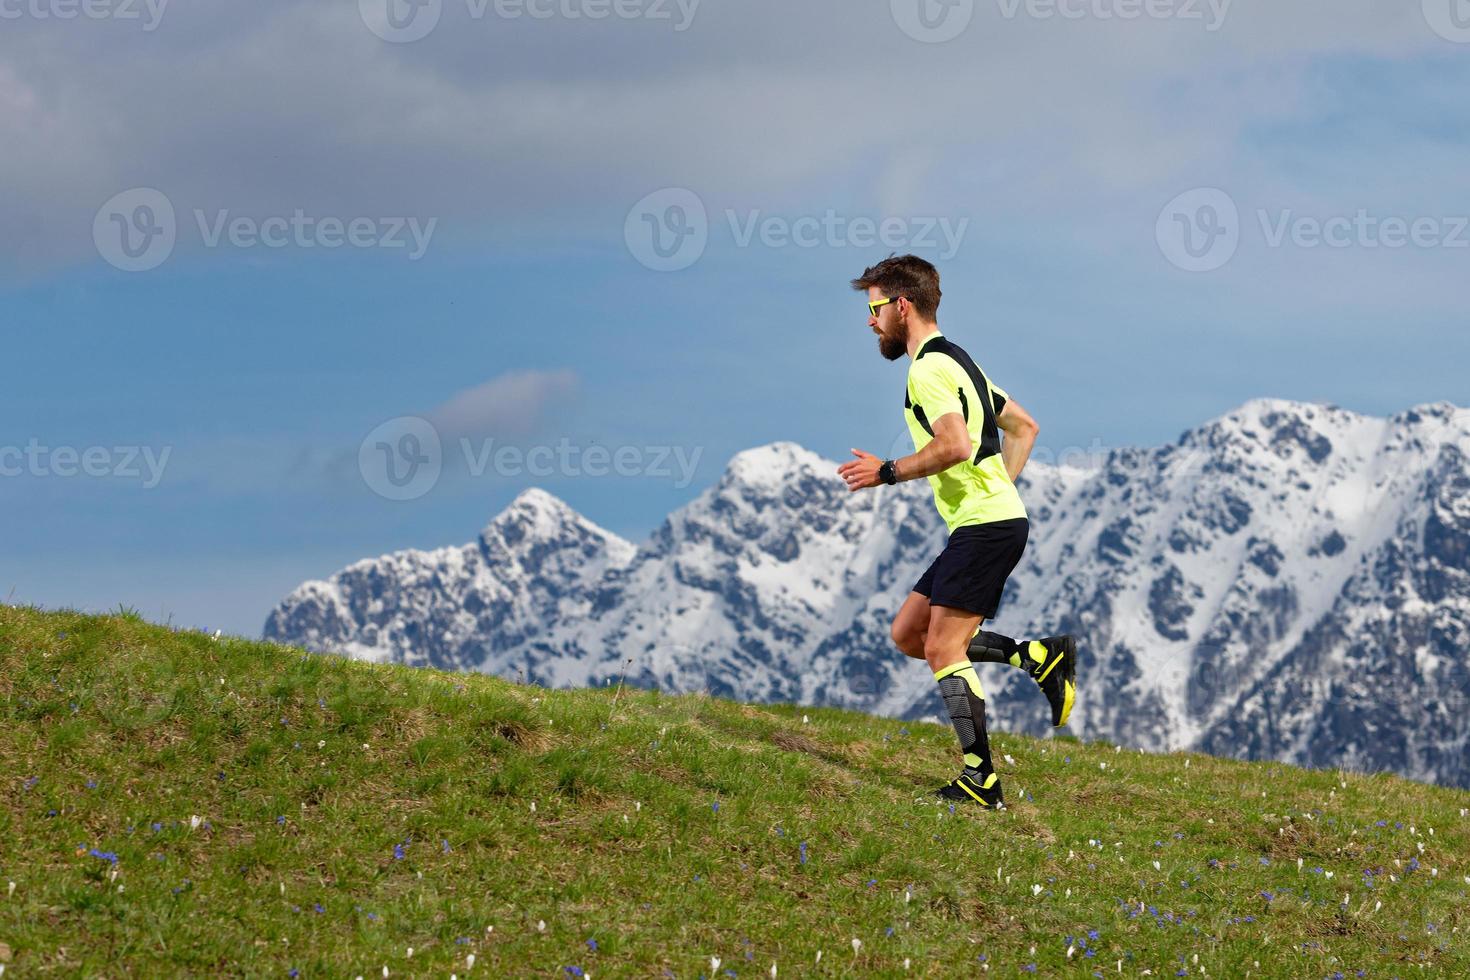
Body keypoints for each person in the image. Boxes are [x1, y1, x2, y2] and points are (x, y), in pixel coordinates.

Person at [837, 254, 1077, 810]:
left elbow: (954, 446)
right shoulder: (958, 361)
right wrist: (996, 489)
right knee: (908, 634)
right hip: (985, 521)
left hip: (986, 526)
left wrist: (888, 472)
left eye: (874, 309)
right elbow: (1024, 426)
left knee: (943, 647)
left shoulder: (927, 369)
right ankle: (1036, 657)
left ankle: (981, 781)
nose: (870, 322)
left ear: (902, 305)